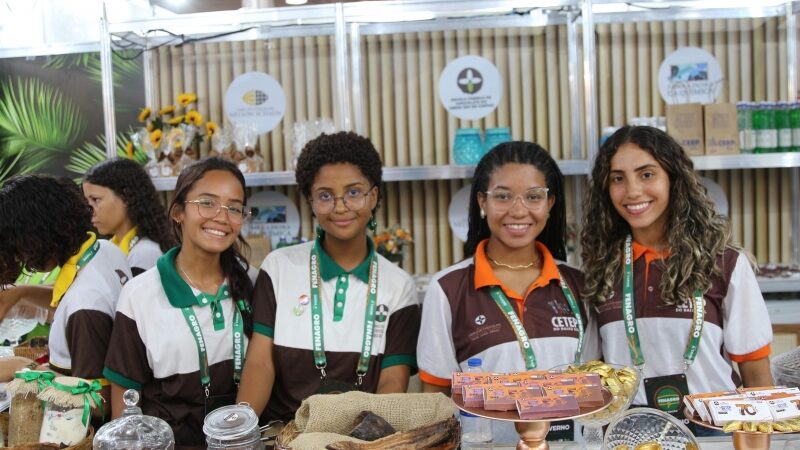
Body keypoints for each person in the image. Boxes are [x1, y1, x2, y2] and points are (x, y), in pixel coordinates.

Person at [417, 141, 599, 444]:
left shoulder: (578, 284)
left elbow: (593, 383)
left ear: (550, 203)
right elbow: (435, 401)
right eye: (502, 196)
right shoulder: (448, 289)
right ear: (482, 202)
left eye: (533, 197)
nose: (518, 210)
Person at [580, 126, 773, 412]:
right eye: (618, 178)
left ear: (674, 179)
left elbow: (757, 377)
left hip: (713, 430)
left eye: (647, 174)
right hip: (628, 434)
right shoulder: (601, 268)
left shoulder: (723, 262)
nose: (632, 191)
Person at [236, 131, 420, 422]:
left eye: (353, 192)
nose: (340, 207)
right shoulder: (279, 267)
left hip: (362, 440)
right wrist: (241, 431)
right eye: (325, 196)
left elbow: (392, 384)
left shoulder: (399, 287)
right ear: (310, 201)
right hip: (283, 437)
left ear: (374, 196)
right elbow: (260, 363)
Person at [103, 158, 255, 447]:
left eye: (234, 208)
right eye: (207, 203)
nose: (222, 217)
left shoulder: (254, 284)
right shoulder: (140, 295)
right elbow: (125, 402)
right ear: (178, 212)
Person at [0, 175, 131, 396]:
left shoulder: (85, 306)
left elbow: (98, 400)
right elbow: (69, 300)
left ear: (35, 238)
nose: (21, 258)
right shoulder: (104, 250)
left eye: (19, 248)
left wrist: (21, 368)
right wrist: (19, 293)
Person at [83, 157, 176, 275]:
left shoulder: (143, 254)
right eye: (87, 202)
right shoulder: (112, 247)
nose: (89, 210)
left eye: (96, 200)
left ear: (125, 197)